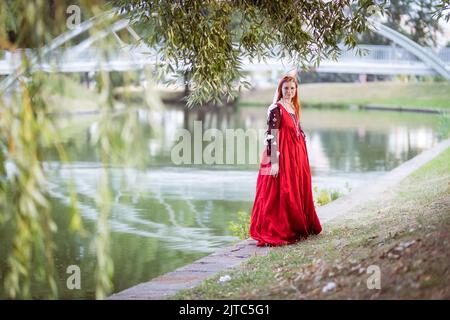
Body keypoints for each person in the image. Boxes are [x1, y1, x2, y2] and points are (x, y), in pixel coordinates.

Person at [249, 74, 322, 247]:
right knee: (283, 191)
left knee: (297, 187)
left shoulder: (292, 106)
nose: (289, 91)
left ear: (296, 90)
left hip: (296, 155)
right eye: (286, 88)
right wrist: (274, 162)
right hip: (282, 156)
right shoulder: (276, 108)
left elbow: (297, 130)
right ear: (280, 90)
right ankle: (280, 228)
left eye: (292, 88)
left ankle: (298, 224)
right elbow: (271, 135)